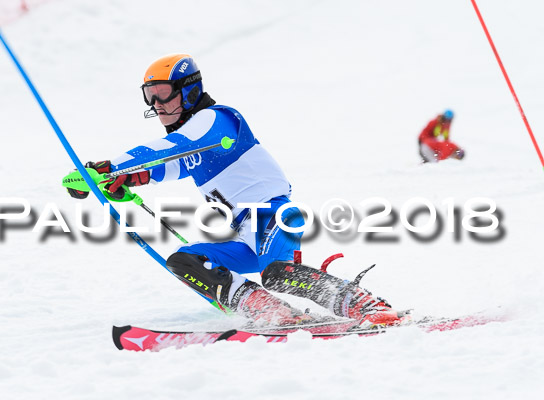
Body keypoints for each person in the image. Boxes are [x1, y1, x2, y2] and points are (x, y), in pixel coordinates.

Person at [67, 54, 408, 328]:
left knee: (277, 274)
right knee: (185, 259)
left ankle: (365, 305)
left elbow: (168, 148)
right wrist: (121, 180)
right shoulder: (195, 148)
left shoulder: (217, 120)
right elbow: (162, 166)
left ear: (187, 91)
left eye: (162, 94)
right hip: (246, 234)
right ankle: (271, 311)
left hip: (274, 217)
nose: (156, 105)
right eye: (149, 96)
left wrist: (111, 166)